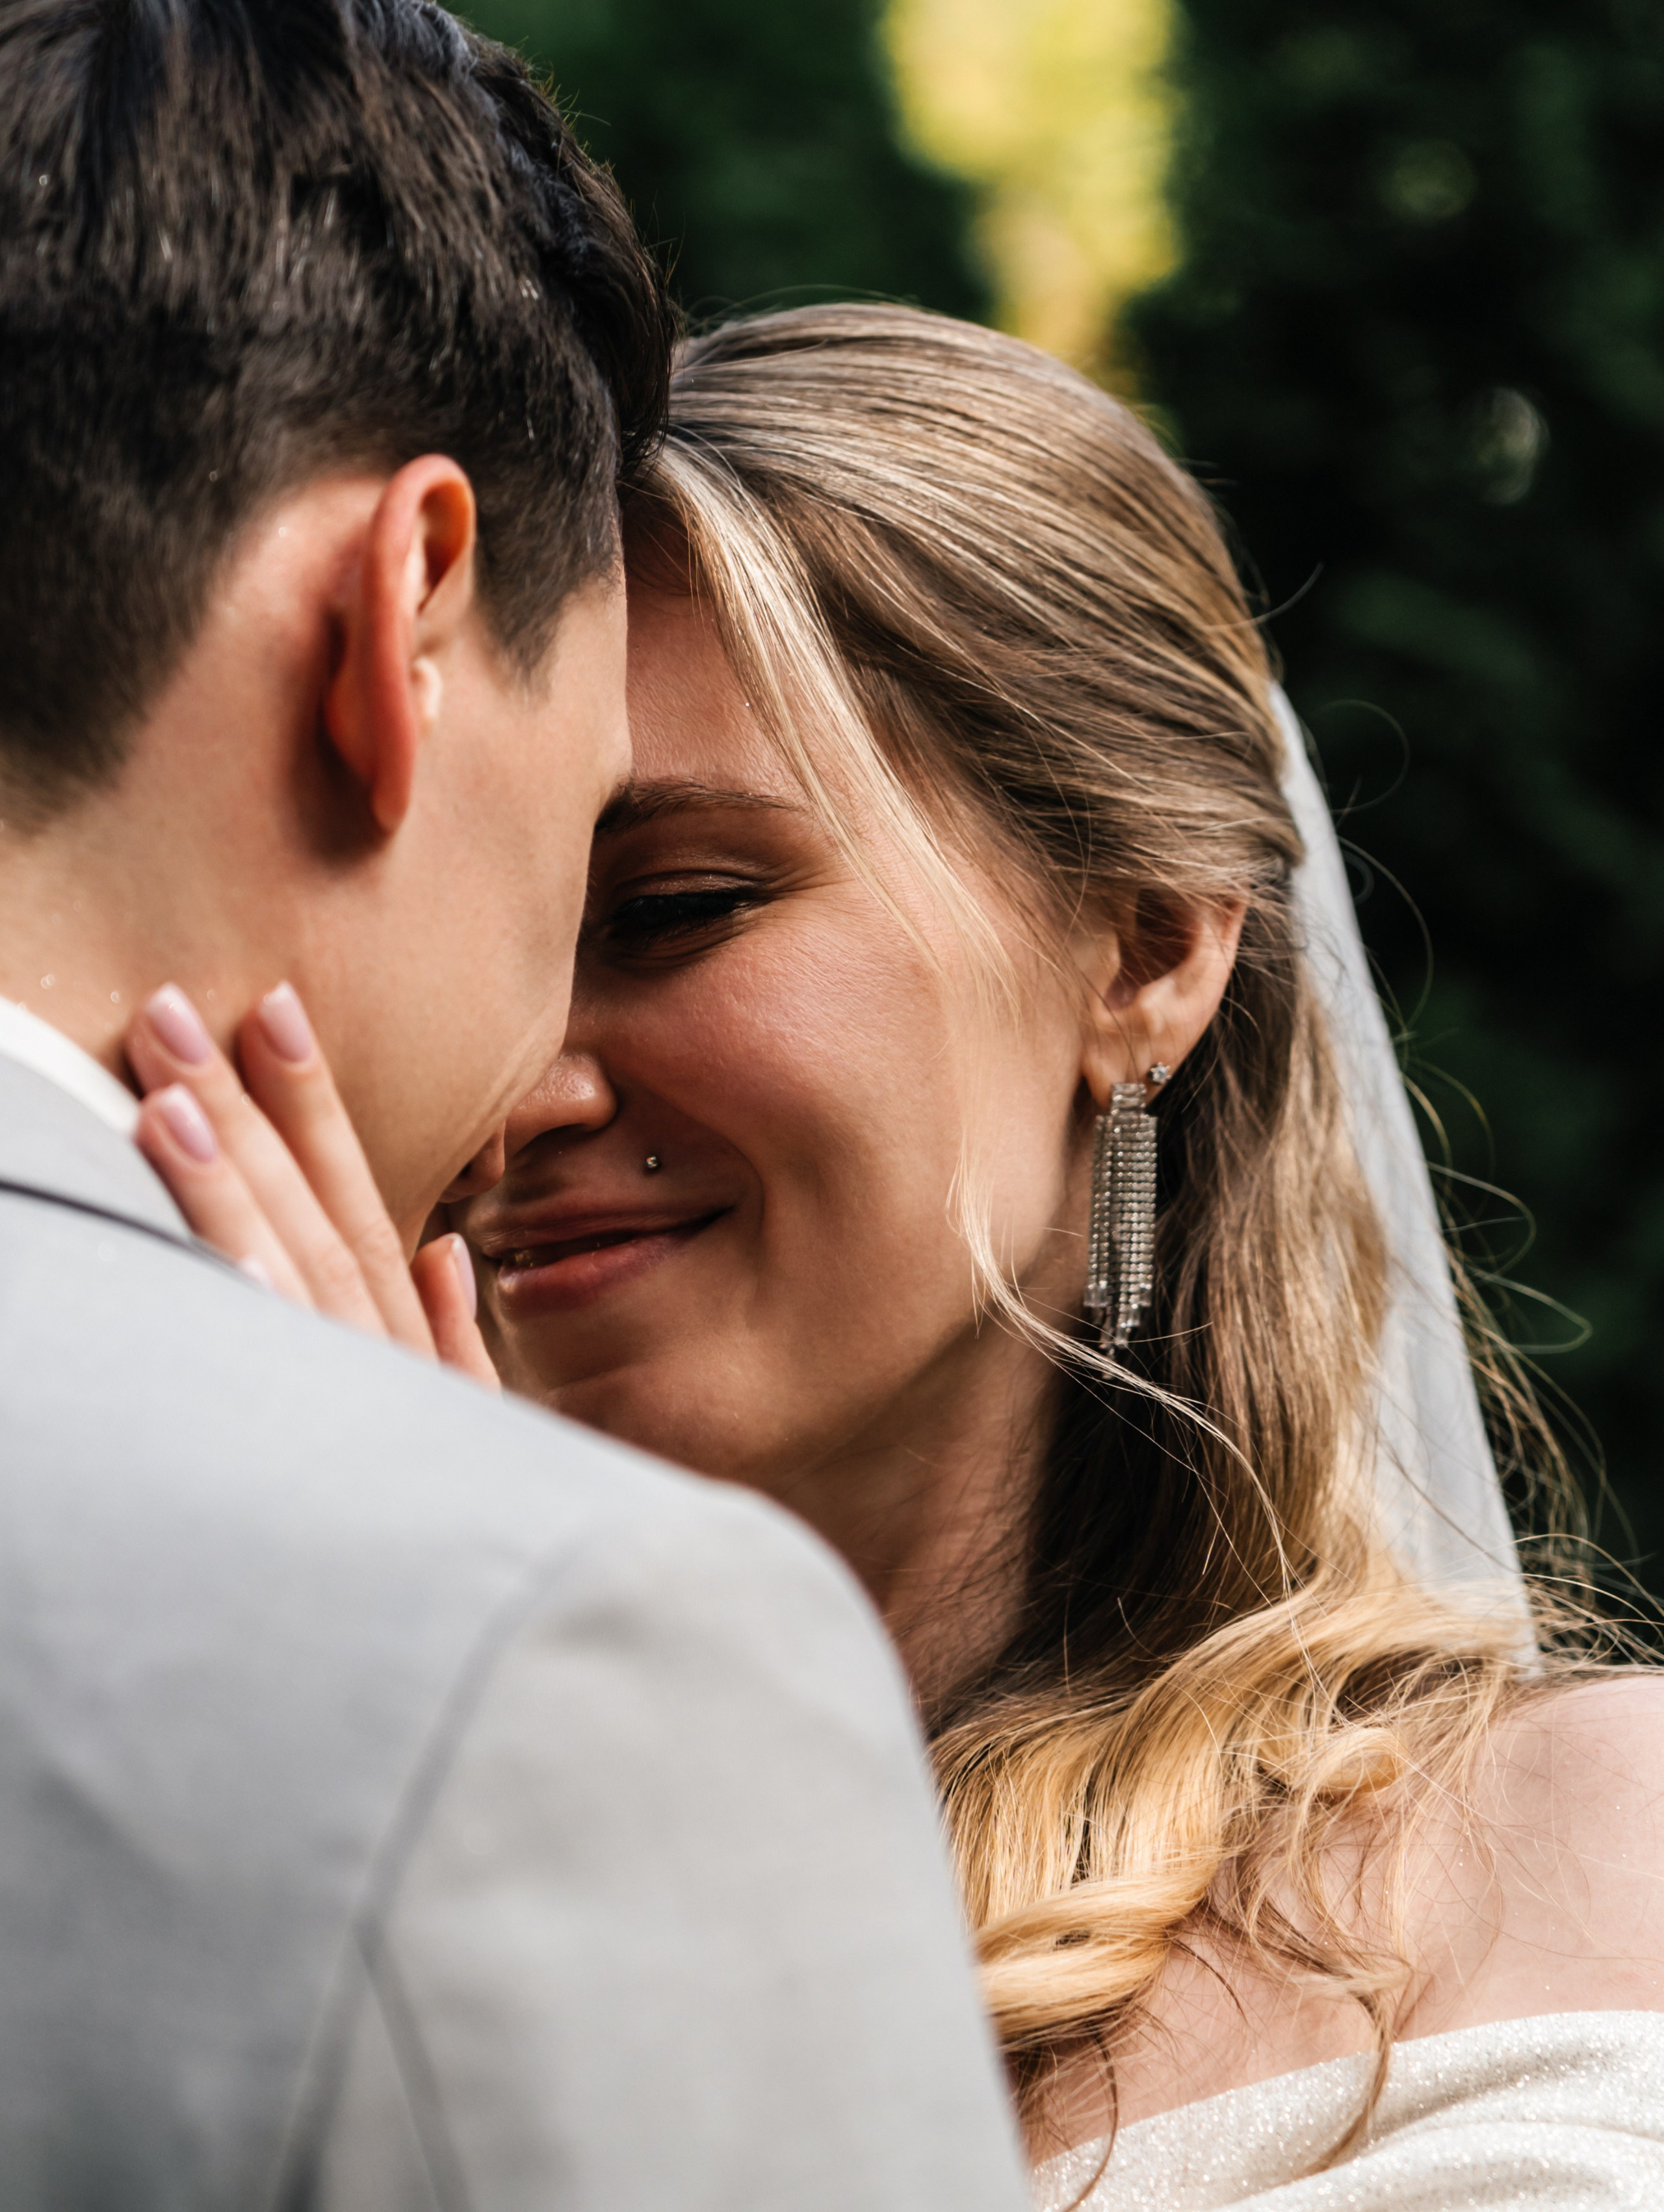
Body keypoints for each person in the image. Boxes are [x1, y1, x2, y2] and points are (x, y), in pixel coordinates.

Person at [155, 304, 1664, 2206]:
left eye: (678, 908)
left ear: (1145, 948)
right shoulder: (227, 1859)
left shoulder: (1589, 1853)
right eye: (463, 951)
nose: (516, 1085)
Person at [0, 18, 1032, 2209]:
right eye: (599, 856)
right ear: (406, 616)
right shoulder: (556, 1655)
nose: (542, 1078)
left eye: (684, 903)